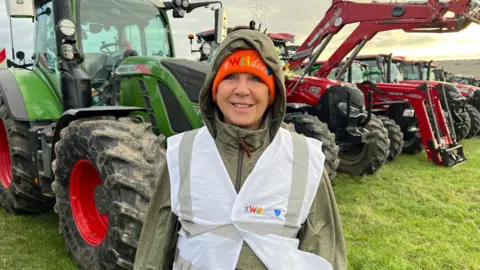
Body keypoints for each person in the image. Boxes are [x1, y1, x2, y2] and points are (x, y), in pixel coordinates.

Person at [134, 29, 347, 270]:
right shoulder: (182, 152)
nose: (242, 90)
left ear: (271, 93)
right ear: (214, 89)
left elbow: (323, 251)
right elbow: (154, 248)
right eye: (231, 76)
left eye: (256, 79)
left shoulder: (304, 157)